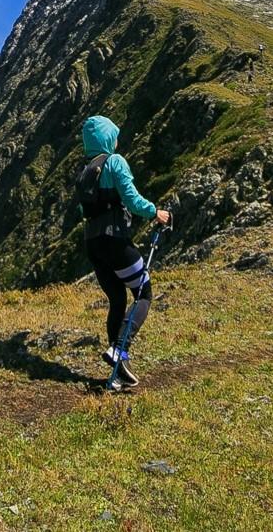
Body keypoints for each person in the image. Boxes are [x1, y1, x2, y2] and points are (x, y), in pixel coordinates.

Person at [73, 114, 170, 392]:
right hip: (115, 241)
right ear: (107, 138)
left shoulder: (85, 171)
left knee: (116, 298)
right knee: (143, 292)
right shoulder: (115, 162)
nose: (117, 139)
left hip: (93, 244)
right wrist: (156, 212)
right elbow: (132, 199)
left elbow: (83, 211)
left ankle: (118, 371)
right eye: (114, 135)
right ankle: (120, 349)